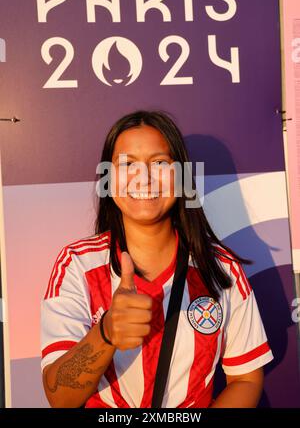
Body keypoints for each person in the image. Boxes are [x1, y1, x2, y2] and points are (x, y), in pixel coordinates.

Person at [41, 110, 274, 408]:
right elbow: (60, 398)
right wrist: (106, 333)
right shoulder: (76, 265)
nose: (144, 178)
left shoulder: (221, 269)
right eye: (127, 165)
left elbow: (246, 379)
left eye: (160, 163)